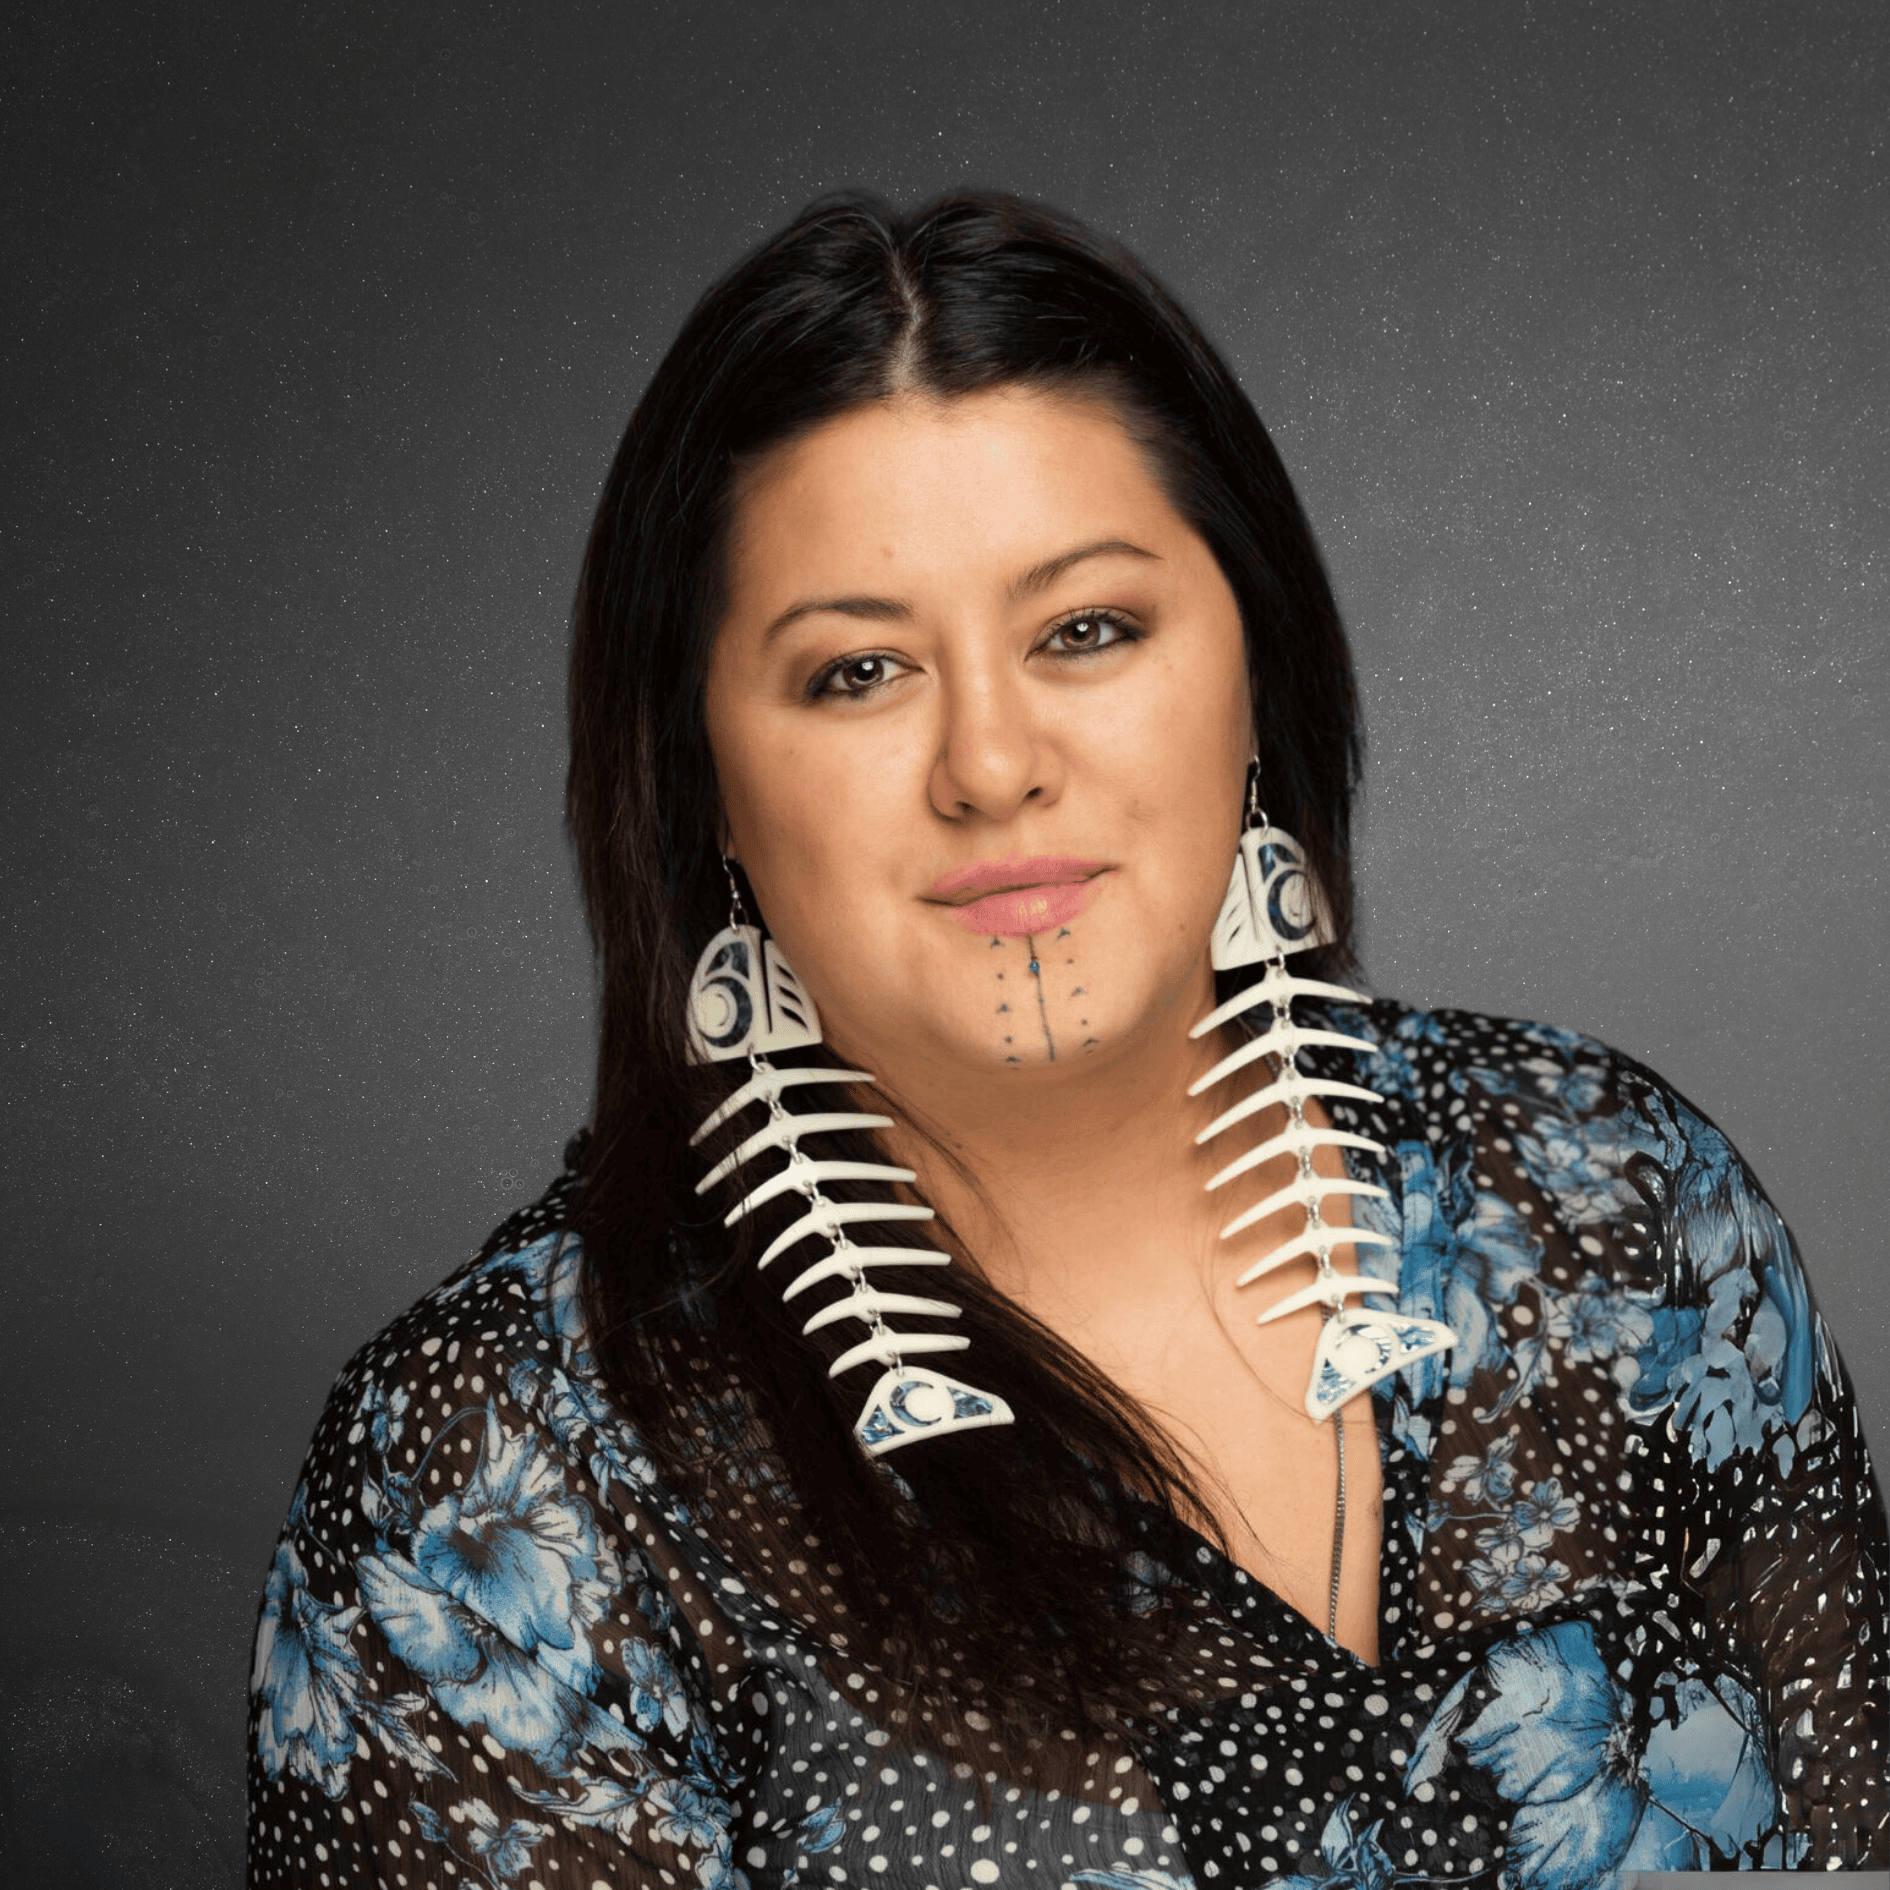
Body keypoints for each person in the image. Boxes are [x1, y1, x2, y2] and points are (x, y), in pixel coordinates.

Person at [246, 191, 1887, 1889]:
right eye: (857, 671)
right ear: (704, 781)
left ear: (1253, 670)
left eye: (1085, 630)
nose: (990, 761)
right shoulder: (491, 1476)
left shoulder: (1614, 1203)